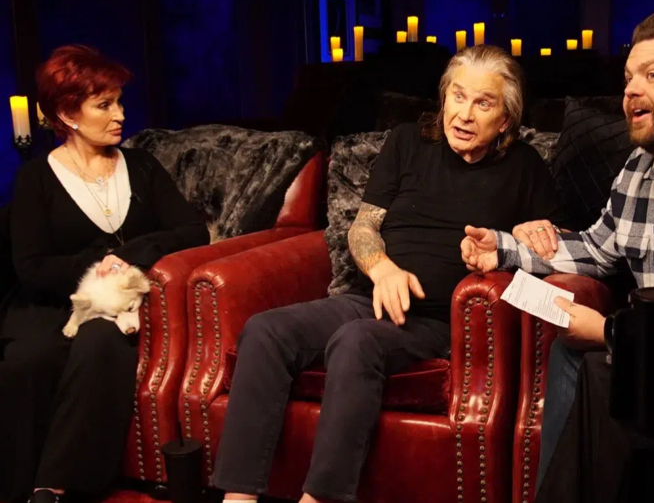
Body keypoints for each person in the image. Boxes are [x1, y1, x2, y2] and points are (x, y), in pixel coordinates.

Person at [212, 44, 570, 503]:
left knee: (356, 341)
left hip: (438, 322)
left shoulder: (525, 167)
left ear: (504, 120)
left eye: (483, 103)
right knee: (264, 331)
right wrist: (382, 269)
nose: (464, 114)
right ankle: (238, 498)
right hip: (368, 298)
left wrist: (525, 234)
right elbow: (364, 226)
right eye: (458, 96)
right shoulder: (406, 143)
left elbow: (558, 243)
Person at [460, 10, 654, 497]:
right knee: (574, 355)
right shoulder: (640, 168)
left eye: (651, 76)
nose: (631, 91)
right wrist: (503, 250)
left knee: (598, 364)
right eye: (628, 78)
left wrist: (609, 332)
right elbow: (597, 247)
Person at [0, 45, 209, 503]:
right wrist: (96, 265)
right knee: (29, 361)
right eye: (104, 105)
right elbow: (32, 266)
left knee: (100, 342)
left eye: (119, 102)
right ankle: (15, 490)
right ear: (67, 114)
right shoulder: (35, 178)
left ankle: (53, 487)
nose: (120, 115)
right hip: (53, 302)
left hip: (120, 303)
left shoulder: (143, 166)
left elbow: (193, 231)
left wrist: (129, 254)